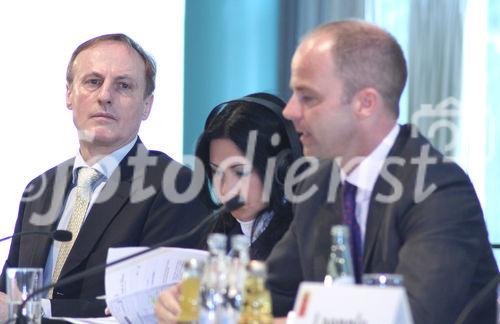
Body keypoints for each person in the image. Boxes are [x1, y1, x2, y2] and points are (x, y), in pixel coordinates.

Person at [265, 20, 499, 324]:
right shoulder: (317, 186)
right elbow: (269, 294)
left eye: (308, 97)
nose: (290, 110)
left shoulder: (438, 189)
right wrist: (206, 291)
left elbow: (414, 316)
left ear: (365, 103)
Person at [0, 34, 209, 319]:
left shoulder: (174, 186)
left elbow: (149, 307)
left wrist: (33, 309)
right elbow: (10, 294)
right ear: (69, 94)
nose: (105, 96)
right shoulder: (40, 189)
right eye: (93, 82)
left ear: (146, 105)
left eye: (123, 86)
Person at [154, 92, 303, 323]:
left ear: (280, 171)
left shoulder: (302, 237)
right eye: (216, 170)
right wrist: (168, 305)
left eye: (240, 172)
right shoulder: (217, 229)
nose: (225, 187)